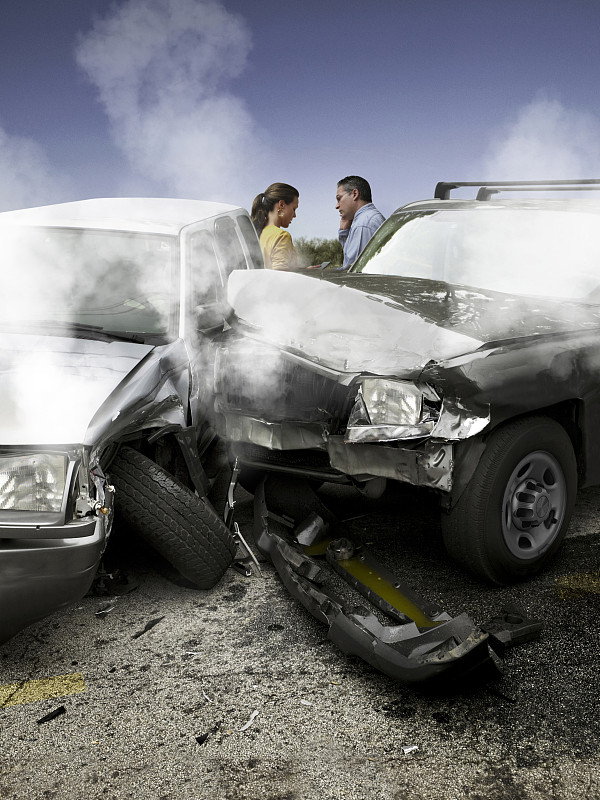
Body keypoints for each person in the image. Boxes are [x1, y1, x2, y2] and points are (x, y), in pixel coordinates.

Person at [335, 176, 385, 268]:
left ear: (355, 194)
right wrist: (344, 233)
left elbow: (354, 274)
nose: (337, 206)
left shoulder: (363, 224)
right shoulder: (367, 219)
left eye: (339, 198)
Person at [251, 183, 300, 270]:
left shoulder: (257, 233)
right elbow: (280, 278)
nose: (294, 215)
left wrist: (304, 270)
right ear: (281, 205)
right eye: (294, 209)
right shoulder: (281, 236)